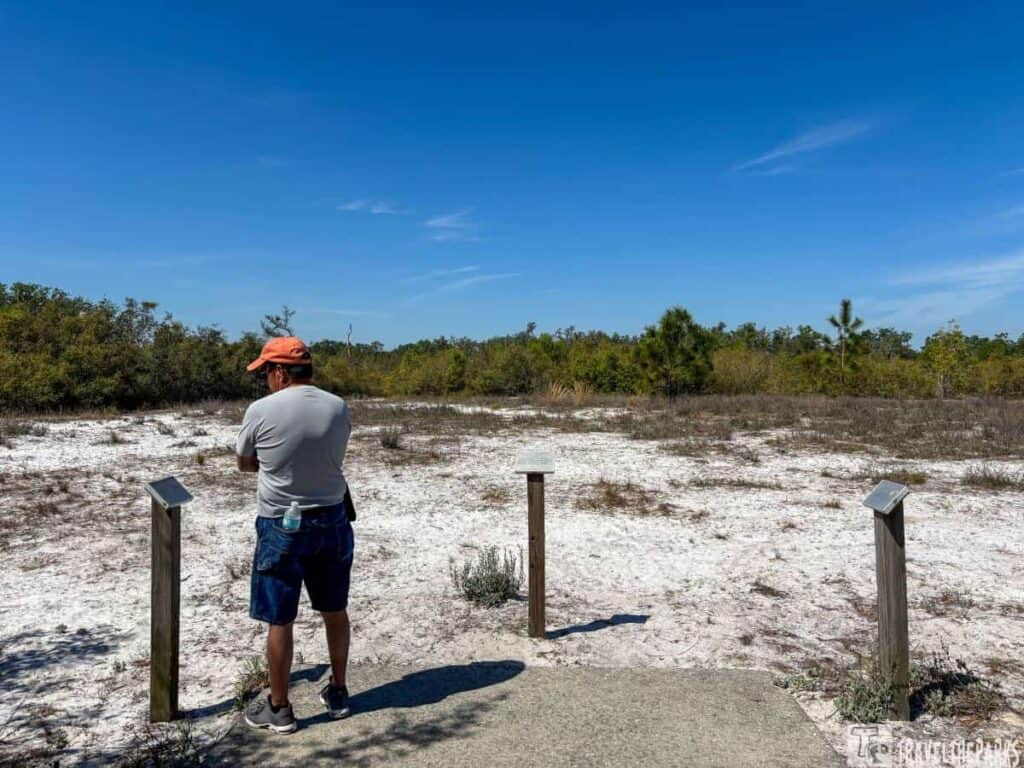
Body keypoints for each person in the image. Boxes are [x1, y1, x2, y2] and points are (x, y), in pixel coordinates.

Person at [235, 336, 355, 734]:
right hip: (332, 519)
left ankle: (280, 707)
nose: (266, 379)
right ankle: (338, 690)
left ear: (281, 371)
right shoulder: (338, 406)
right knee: (334, 610)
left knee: (280, 618)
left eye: (266, 372)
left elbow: (246, 463)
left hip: (280, 524)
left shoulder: (261, 410)